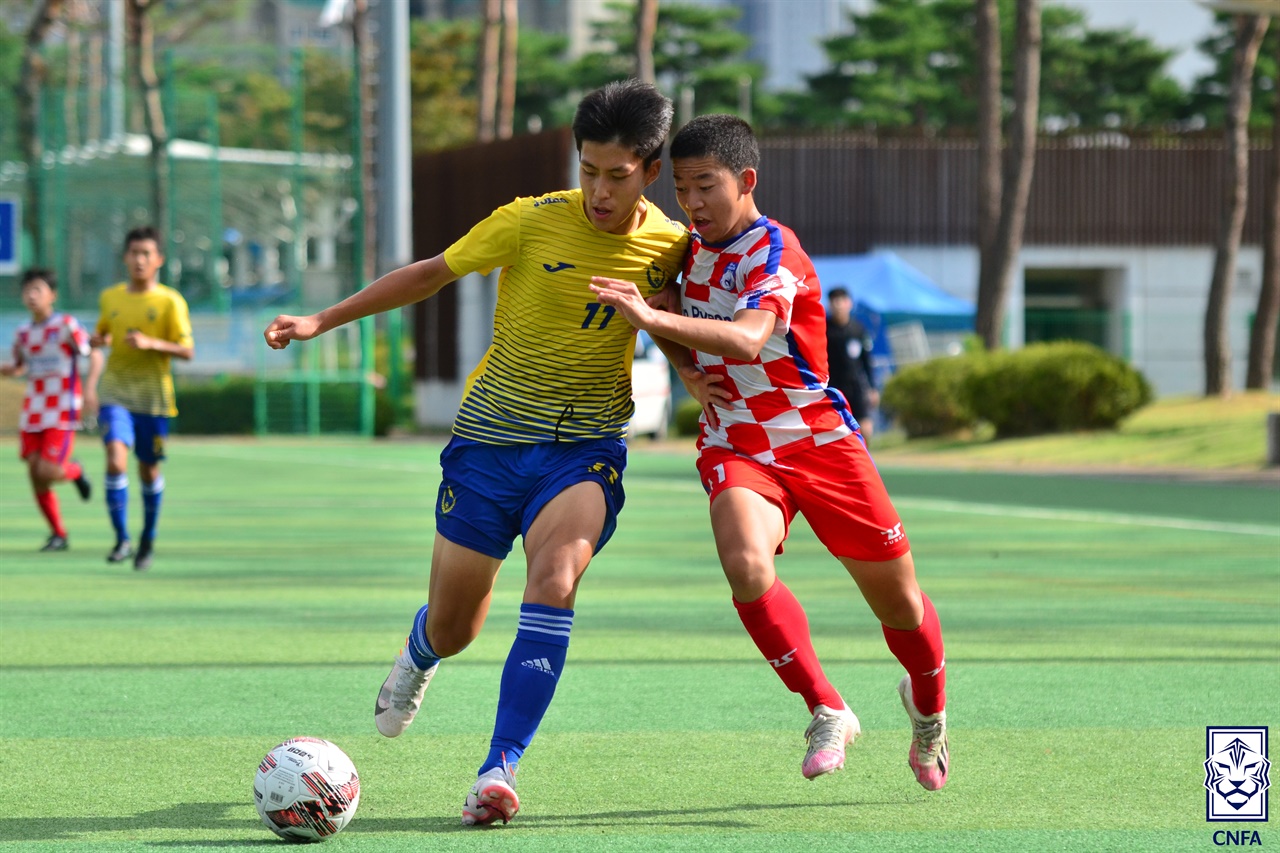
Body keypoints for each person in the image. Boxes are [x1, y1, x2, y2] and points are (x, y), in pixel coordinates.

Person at [262, 79, 688, 826]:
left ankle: (499, 767)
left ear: (650, 171)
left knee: (555, 578)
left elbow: (690, 341)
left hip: (582, 451)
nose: (598, 188)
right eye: (587, 168)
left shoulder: (672, 249)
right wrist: (321, 319)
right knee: (458, 626)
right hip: (487, 447)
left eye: (617, 174)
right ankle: (420, 651)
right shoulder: (527, 222)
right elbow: (428, 274)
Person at [590, 114, 949, 791]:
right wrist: (683, 363)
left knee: (900, 605)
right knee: (746, 564)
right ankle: (826, 706)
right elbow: (668, 300)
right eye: (682, 189)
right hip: (736, 441)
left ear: (745, 181)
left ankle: (929, 716)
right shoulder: (685, 248)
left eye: (707, 186)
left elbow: (750, 337)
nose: (692, 203)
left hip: (819, 442)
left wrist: (651, 320)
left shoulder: (775, 251)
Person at [87, 226, 195, 571]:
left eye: (147, 253)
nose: (140, 260)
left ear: (159, 260)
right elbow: (103, 332)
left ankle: (147, 538)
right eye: (134, 253)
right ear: (125, 257)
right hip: (115, 391)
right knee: (116, 459)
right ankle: (121, 539)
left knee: (148, 469)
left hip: (153, 399)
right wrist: (97, 341)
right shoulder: (111, 298)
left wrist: (153, 344)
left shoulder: (170, 301)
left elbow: (187, 350)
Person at [1, 268, 98, 551]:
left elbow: (91, 351)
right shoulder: (22, 333)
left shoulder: (66, 325)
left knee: (48, 470)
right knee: (35, 473)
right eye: (27, 290)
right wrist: (8, 370)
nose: (32, 296)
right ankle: (58, 534)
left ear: (52, 295)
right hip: (33, 409)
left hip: (62, 408)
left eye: (38, 290)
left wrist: (90, 387)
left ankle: (75, 471)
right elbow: (20, 366)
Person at [825, 287, 879, 442]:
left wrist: (872, 388)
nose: (838, 304)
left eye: (842, 300)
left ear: (849, 303)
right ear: (829, 305)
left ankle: (865, 462)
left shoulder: (858, 329)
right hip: (833, 387)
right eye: (834, 301)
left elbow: (866, 361)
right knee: (834, 431)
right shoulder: (825, 329)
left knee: (866, 429)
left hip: (856, 387)